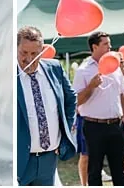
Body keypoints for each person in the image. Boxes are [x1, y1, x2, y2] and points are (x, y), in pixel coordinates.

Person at [17, 26, 78, 186]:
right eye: (24, 53)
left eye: (34, 54)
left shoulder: (54, 68)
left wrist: (65, 136)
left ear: (42, 51)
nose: (29, 59)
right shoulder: (8, 75)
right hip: (19, 161)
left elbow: (71, 99)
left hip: (48, 161)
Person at [73, 31, 124, 186]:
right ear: (94, 46)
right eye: (106, 44)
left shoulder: (115, 67)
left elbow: (121, 93)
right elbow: (77, 101)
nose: (110, 47)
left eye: (109, 44)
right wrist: (91, 86)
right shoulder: (83, 70)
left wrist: (123, 117)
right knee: (94, 170)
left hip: (116, 125)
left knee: (120, 170)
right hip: (94, 126)